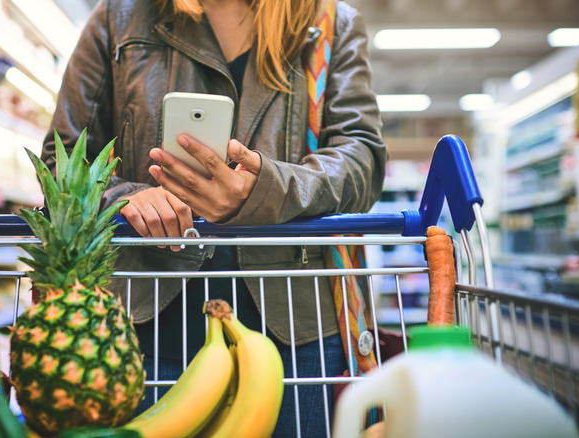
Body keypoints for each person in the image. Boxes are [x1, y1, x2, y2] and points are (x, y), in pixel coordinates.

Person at [41, 0, 387, 435]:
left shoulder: (328, 22)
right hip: (142, 325)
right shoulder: (120, 16)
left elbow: (363, 161)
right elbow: (64, 155)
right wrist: (123, 197)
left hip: (297, 333)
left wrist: (265, 188)